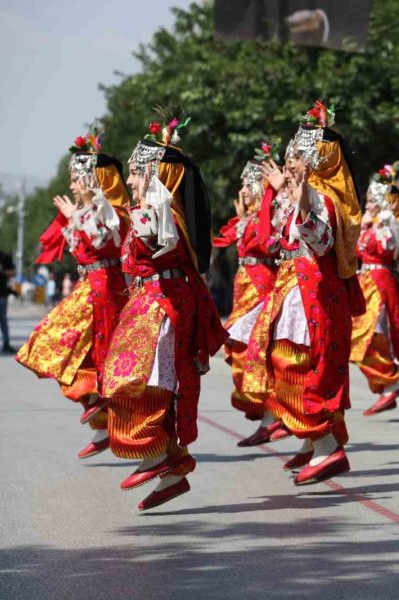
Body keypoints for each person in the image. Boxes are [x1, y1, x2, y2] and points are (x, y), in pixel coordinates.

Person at [100, 108, 227, 511]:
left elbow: (159, 237)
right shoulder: (151, 211)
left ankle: (159, 454)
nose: (130, 181)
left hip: (164, 305)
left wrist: (152, 197)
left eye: (136, 173)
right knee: (142, 380)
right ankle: (171, 469)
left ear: (154, 175)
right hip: (148, 303)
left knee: (145, 380)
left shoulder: (162, 214)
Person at [242, 101, 364, 484]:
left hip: (313, 294)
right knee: (287, 365)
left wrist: (302, 199)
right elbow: (272, 240)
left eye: (296, 156)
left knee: (294, 367)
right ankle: (316, 442)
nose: (289, 162)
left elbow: (321, 242)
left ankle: (326, 445)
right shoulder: (304, 195)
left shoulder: (324, 199)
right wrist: (284, 194)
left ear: (315, 161)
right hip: (295, 290)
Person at [15, 128, 131, 458]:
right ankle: (99, 416)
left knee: (74, 347)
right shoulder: (87, 212)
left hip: (104, 287)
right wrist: (74, 217)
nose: (71, 187)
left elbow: (103, 242)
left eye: (75, 180)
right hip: (88, 286)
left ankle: (104, 413)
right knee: (60, 345)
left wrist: (75, 217)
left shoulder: (111, 212)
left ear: (91, 180)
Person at [213, 144, 292, 447]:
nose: (242, 190)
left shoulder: (268, 215)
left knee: (253, 353)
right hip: (246, 287)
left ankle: (273, 415)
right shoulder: (250, 217)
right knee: (245, 351)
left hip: (260, 286)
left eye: (248, 185)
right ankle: (269, 416)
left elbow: (269, 244)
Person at [350, 163, 399, 416]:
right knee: (357, 337)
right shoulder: (369, 224)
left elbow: (388, 250)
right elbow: (355, 251)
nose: (366, 205)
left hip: (379, 284)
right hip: (365, 282)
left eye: (370, 201)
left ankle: (390, 384)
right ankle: (387, 385)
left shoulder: (388, 222)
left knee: (370, 335)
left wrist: (376, 225)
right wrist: (364, 226)